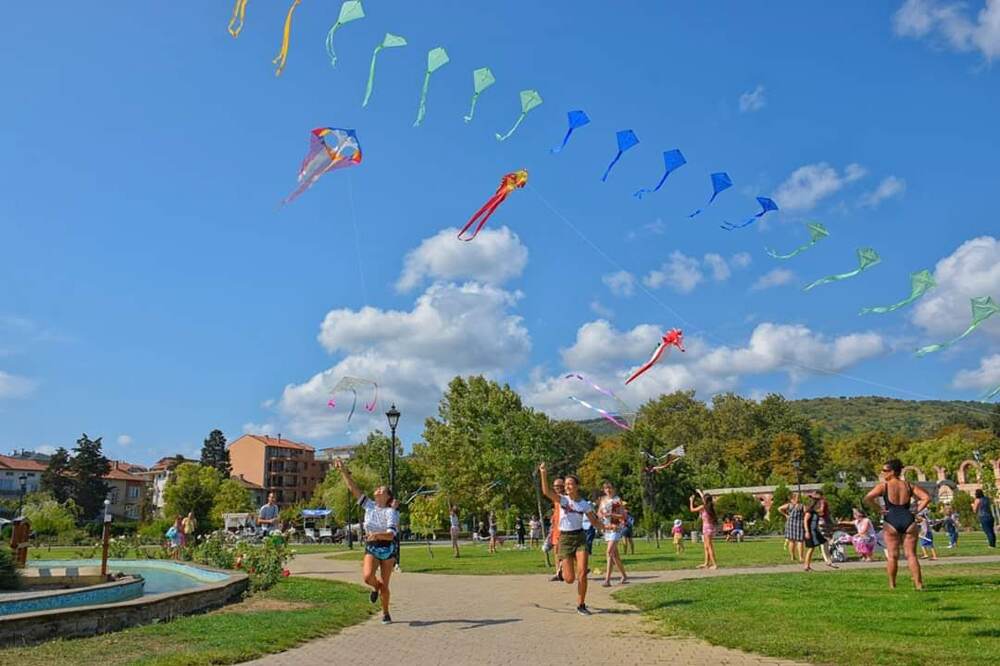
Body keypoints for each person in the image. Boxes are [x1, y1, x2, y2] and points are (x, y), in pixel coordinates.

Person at [333, 458, 399, 624]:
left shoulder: (390, 512)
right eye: (377, 488)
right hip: (372, 547)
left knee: (385, 584)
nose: (377, 490)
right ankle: (375, 587)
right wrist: (343, 470)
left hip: (387, 548)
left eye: (381, 490)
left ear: (387, 496)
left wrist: (376, 535)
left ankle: (385, 613)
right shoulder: (368, 505)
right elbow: (352, 487)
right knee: (367, 576)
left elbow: (391, 535)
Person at [539, 463, 604, 615]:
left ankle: (581, 605)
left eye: (570, 484)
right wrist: (543, 473)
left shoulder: (584, 504)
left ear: (577, 486)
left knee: (582, 573)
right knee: (569, 579)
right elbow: (546, 491)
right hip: (565, 539)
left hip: (580, 537)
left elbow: (594, 522)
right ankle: (562, 570)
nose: (567, 486)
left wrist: (607, 528)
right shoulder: (563, 500)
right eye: (566, 484)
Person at [864, 458, 931, 590]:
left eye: (885, 471)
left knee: (892, 556)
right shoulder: (908, 485)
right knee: (911, 555)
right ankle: (918, 584)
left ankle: (892, 585)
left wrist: (879, 509)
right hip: (908, 519)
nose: (882, 473)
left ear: (892, 472)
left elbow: (868, 498)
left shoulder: (884, 486)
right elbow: (926, 498)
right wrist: (916, 511)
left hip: (891, 520)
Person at [597, 481, 628, 587]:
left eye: (609, 488)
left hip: (616, 528)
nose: (608, 490)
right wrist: (601, 515)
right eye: (606, 488)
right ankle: (624, 575)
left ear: (613, 488)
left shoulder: (617, 500)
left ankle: (607, 580)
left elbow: (623, 516)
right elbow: (599, 512)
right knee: (615, 555)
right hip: (607, 528)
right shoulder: (602, 500)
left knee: (609, 552)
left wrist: (611, 514)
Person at [803, 494, 834, 571]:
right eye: (818, 503)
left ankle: (828, 561)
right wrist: (807, 531)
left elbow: (822, 512)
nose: (819, 504)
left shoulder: (814, 511)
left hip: (815, 531)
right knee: (811, 548)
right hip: (810, 531)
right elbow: (805, 521)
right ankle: (806, 566)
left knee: (825, 542)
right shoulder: (809, 511)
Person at [689, 491, 718, 569]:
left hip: (706, 528)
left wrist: (691, 501)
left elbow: (692, 509)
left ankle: (714, 564)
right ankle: (706, 563)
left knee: (709, 546)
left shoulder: (703, 507)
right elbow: (705, 499)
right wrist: (700, 492)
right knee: (706, 546)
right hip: (710, 527)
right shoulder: (710, 507)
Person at [547, 476, 566, 582]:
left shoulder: (565, 498)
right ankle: (558, 572)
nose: (556, 488)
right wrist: (553, 518)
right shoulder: (556, 499)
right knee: (556, 551)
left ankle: (580, 568)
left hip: (564, 528)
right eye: (555, 486)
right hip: (556, 528)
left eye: (559, 486)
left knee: (566, 550)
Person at [778, 494, 805, 563]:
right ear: (792, 499)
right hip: (799, 523)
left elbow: (779, 508)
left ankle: (793, 556)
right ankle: (800, 557)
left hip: (791, 523)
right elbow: (806, 512)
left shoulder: (789, 505)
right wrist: (786, 515)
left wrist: (786, 515)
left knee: (792, 540)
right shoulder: (801, 506)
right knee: (799, 541)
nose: (798, 499)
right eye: (797, 498)